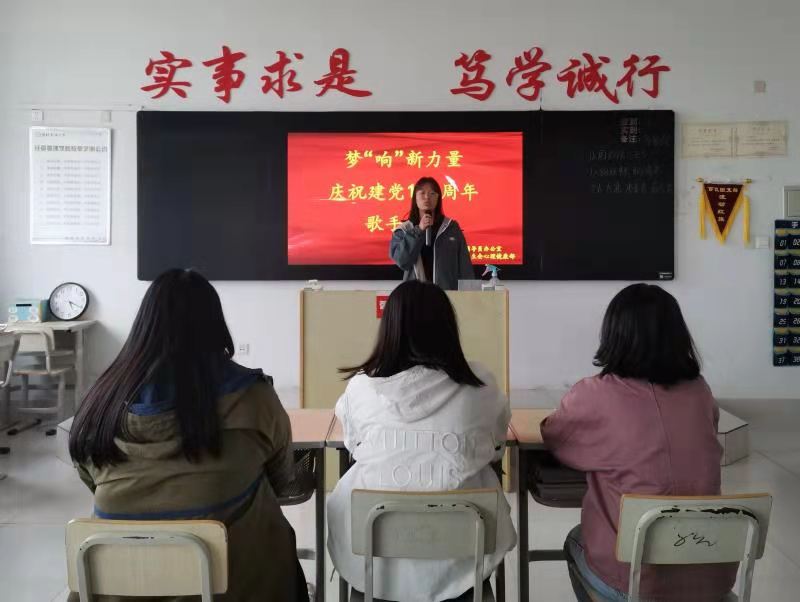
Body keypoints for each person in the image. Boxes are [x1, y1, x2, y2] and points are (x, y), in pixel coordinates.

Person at [68, 269, 309, 602]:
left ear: (144, 324)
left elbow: (90, 477)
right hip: (236, 587)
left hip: (123, 589)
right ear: (215, 324)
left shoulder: (100, 402)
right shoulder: (253, 397)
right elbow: (282, 480)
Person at [541, 284, 737, 602]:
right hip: (711, 581)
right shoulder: (700, 392)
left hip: (636, 582)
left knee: (575, 540)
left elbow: (555, 438)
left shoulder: (595, 394)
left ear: (614, 335)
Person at [327, 280, 515, 602]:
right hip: (462, 564)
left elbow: (353, 445)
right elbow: (497, 444)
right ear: (447, 329)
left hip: (373, 567)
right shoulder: (481, 385)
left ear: (389, 330)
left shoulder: (361, 388)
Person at [389, 176, 474, 290]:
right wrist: (419, 230)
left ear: (438, 198)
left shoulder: (451, 228)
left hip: (446, 295)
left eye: (432, 193)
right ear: (415, 198)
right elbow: (402, 261)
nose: (427, 197)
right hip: (415, 295)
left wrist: (470, 296)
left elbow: (465, 267)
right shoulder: (404, 230)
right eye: (422, 193)